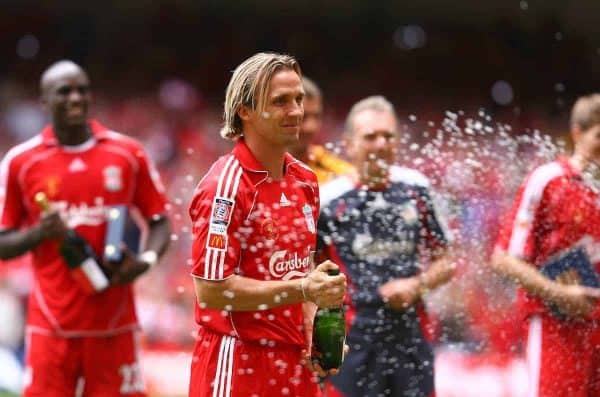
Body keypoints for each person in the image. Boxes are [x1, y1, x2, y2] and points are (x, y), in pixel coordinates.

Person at [0, 60, 171, 397]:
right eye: (65, 91)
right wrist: (38, 234)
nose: (76, 98)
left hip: (115, 326)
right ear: (45, 101)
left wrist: (146, 261)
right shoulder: (22, 161)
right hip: (51, 328)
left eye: (82, 90)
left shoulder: (127, 153)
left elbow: (159, 221)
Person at [188, 52, 347, 397]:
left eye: (299, 99)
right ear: (244, 110)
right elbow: (211, 291)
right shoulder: (225, 188)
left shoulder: (305, 180)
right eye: (280, 102)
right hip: (237, 361)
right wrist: (304, 289)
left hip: (293, 363)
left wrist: (310, 325)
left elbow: (297, 268)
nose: (296, 112)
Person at [317, 96, 455, 397]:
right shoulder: (328, 200)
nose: (381, 144)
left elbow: (448, 262)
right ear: (349, 144)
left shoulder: (416, 189)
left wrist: (416, 285)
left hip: (410, 337)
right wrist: (323, 343)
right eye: (370, 136)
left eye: (388, 136)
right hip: (351, 339)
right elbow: (310, 277)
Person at [492, 93, 600, 397]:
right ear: (577, 133)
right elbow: (502, 259)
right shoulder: (549, 180)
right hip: (558, 327)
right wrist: (559, 294)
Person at [287, 76, 353, 183]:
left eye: (317, 116)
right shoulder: (256, 168)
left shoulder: (338, 174)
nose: (311, 127)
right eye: (302, 117)